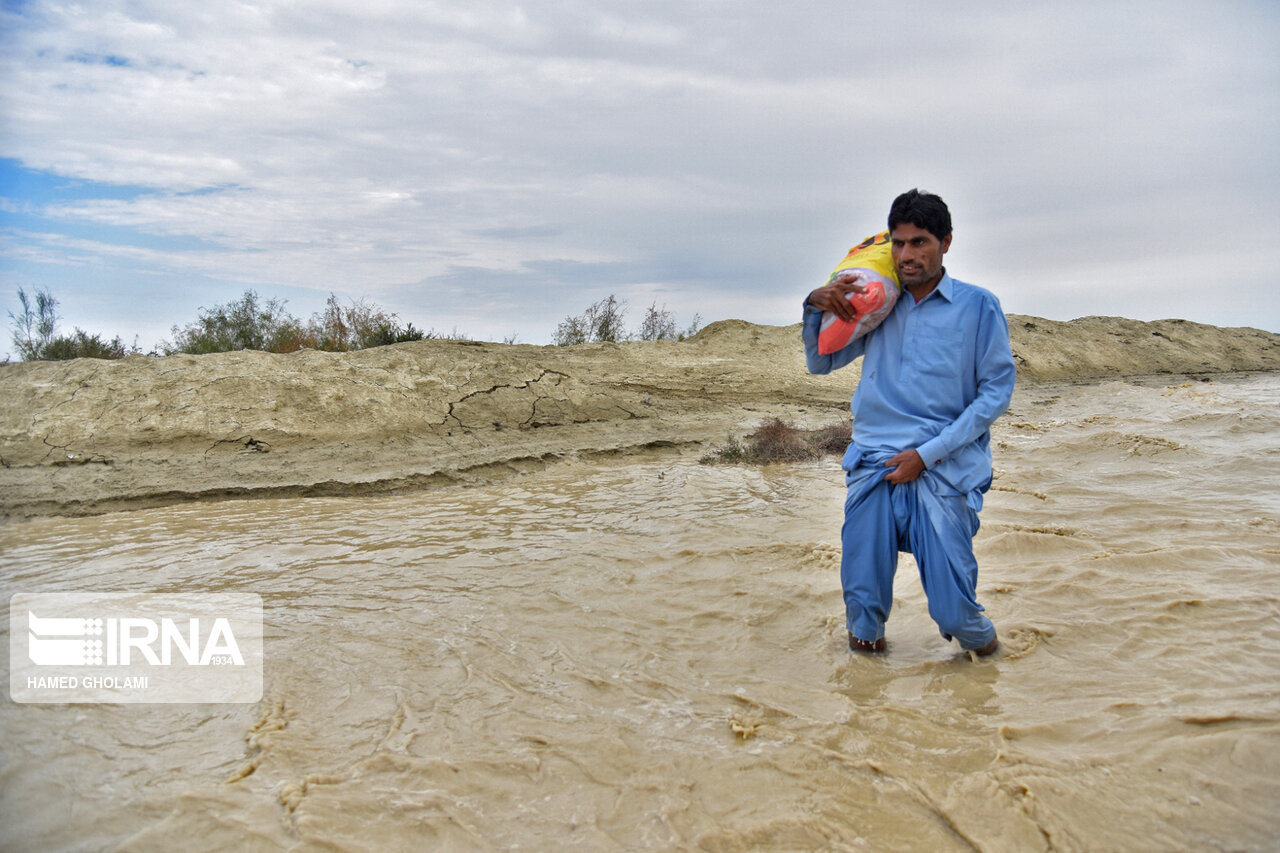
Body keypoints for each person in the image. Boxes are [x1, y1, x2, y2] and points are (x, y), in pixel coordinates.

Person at [802, 189, 1016, 657]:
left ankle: (990, 676)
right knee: (862, 612)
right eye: (899, 243)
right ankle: (865, 710)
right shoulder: (878, 303)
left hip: (943, 467)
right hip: (874, 462)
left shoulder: (978, 307)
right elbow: (820, 364)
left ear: (946, 242)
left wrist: (928, 454)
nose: (907, 255)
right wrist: (815, 305)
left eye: (920, 242)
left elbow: (996, 392)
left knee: (956, 613)